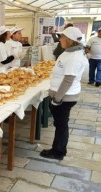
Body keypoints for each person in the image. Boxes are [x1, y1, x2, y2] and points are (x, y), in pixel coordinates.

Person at [40, 27, 87, 160]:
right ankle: (58, 149)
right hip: (61, 96)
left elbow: (68, 80)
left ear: (70, 40)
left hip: (65, 98)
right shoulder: (68, 52)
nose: (59, 39)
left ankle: (58, 152)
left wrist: (57, 99)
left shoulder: (75, 57)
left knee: (61, 125)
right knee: (60, 124)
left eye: (62, 37)